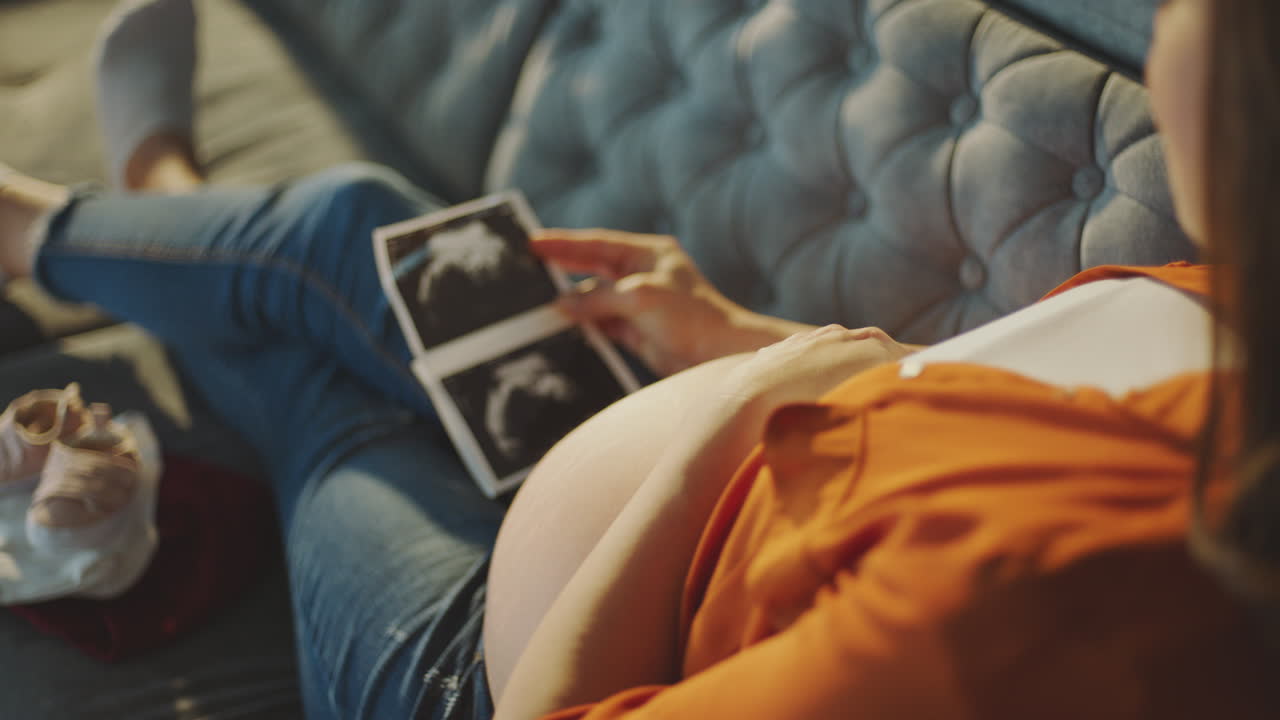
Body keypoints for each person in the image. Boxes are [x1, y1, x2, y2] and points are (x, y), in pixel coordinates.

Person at [0, 0, 1275, 718]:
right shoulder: (1237, 311)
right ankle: (141, 199)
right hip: (630, 460)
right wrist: (738, 340)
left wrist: (723, 427)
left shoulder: (1031, 611)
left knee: (318, 360)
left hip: (478, 660)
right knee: (363, 228)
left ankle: (73, 215)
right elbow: (988, 411)